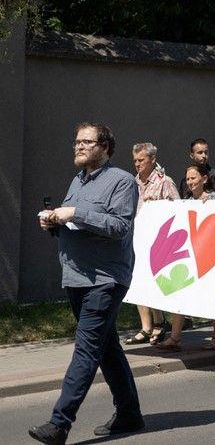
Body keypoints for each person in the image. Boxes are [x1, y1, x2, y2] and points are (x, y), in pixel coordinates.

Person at [30, 123, 143, 444]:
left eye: (87, 142)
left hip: (105, 279)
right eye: (77, 142)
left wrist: (75, 213)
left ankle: (58, 424)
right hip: (76, 277)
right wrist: (53, 222)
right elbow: (74, 224)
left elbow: (119, 226)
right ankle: (130, 414)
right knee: (107, 348)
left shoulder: (121, 181)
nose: (78, 147)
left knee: (86, 349)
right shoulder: (77, 181)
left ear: (105, 147)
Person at [155, 164, 215, 352]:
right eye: (188, 179)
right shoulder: (185, 201)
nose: (190, 182)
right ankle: (175, 338)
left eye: (193, 178)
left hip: (210, 257)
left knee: (213, 297)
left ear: (204, 179)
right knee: (181, 294)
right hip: (190, 257)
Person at [124, 142, 179, 347]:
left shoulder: (165, 182)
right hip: (137, 238)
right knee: (139, 281)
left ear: (153, 160)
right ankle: (145, 327)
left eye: (141, 160)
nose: (137, 164)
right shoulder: (133, 182)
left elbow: (177, 211)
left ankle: (159, 322)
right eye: (135, 161)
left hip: (159, 241)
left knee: (155, 282)